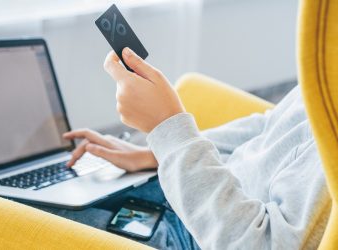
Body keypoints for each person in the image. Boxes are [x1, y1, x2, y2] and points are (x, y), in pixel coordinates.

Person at [62, 48, 330, 249]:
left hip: (195, 236)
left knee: (29, 214)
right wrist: (157, 152)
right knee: (59, 190)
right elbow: (271, 124)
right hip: (204, 188)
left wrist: (167, 126)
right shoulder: (331, 65)